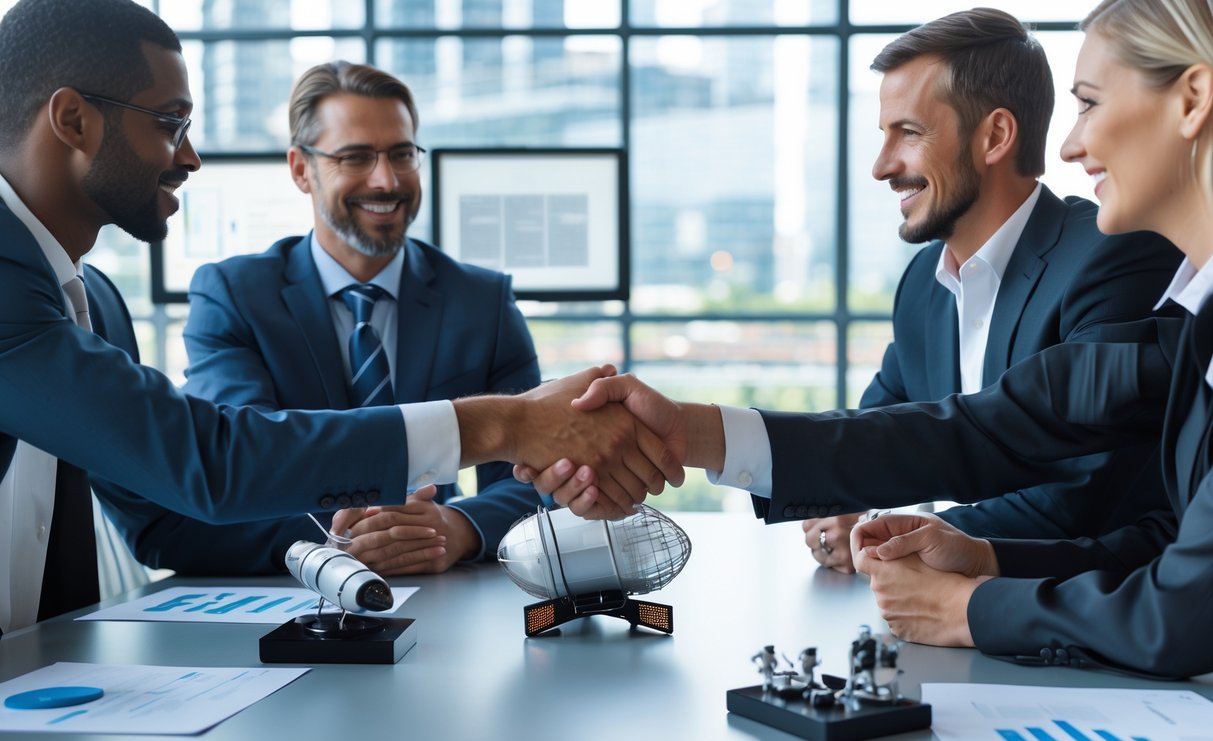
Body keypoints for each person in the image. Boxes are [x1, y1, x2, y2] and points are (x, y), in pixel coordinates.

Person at [521, 0, 1213, 679]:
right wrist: (700, 436)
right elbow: (936, 432)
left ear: (1190, 101)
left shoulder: (1118, 263)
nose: (1069, 143)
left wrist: (967, 599)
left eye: (1088, 103)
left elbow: (1032, 458)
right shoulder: (931, 286)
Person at [0, 0, 680, 634]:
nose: (189, 155)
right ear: (74, 121)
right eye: (169, 123)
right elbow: (211, 462)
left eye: (401, 155)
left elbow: (156, 509)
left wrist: (454, 527)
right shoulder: (46, 289)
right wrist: (508, 422)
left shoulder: (90, 305)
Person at [96, 61, 543, 577]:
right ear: (301, 169)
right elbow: (241, 468)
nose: (387, 179)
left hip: (447, 588)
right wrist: (346, 537)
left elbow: (535, 472)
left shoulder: (481, 300)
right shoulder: (235, 296)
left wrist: (458, 527)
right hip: (295, 594)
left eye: (402, 154)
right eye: (355, 157)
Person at [803, 8, 1182, 573]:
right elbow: (874, 438)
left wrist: (906, 534)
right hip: (954, 626)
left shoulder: (1113, 254)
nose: (882, 167)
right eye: (883, 136)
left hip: (1099, 627)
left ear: (996, 136)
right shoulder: (922, 287)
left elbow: (1086, 494)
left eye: (908, 132)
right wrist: (846, 502)